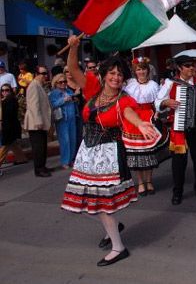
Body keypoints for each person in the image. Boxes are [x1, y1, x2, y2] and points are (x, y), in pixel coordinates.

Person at [61, 35, 158, 267]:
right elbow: (72, 68)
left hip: (108, 156)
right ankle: (112, 227)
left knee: (102, 204)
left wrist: (140, 123)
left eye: (120, 74)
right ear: (104, 75)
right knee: (83, 202)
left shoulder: (124, 100)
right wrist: (73, 47)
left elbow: (129, 113)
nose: (116, 77)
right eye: (112, 73)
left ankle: (118, 247)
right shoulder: (92, 90)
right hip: (87, 153)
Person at [156, 55, 196, 205]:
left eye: (192, 65)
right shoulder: (170, 83)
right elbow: (157, 102)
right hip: (179, 128)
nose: (191, 68)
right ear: (179, 68)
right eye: (187, 65)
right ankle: (177, 192)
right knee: (179, 163)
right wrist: (166, 102)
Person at [123, 57, 166, 196]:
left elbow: (158, 102)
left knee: (149, 152)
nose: (141, 71)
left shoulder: (154, 85)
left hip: (149, 117)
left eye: (143, 69)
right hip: (134, 119)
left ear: (148, 70)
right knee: (136, 153)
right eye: (138, 69)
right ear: (135, 71)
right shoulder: (129, 84)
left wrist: (158, 113)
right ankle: (140, 182)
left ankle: (149, 181)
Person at [24, 66, 52, 177]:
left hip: (41, 122)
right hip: (35, 123)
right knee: (38, 147)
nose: (45, 76)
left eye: (46, 73)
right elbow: (33, 105)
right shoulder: (33, 86)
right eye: (43, 73)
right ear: (36, 74)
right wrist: (38, 121)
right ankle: (39, 169)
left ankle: (42, 166)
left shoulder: (39, 86)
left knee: (42, 146)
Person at [48, 73, 78, 169]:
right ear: (56, 83)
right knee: (65, 140)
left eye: (64, 81)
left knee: (73, 139)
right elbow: (53, 105)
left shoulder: (69, 91)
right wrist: (63, 100)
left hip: (72, 118)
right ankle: (65, 161)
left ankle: (71, 159)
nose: (63, 84)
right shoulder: (54, 93)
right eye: (60, 82)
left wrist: (75, 99)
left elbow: (74, 100)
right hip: (62, 119)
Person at [0, 83, 27, 169]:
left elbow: (9, 112)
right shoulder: (4, 100)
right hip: (9, 125)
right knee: (13, 143)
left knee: (5, 145)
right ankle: (21, 159)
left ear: (10, 91)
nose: (4, 92)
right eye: (3, 90)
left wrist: (2, 103)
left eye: (7, 90)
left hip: (10, 126)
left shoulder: (11, 99)